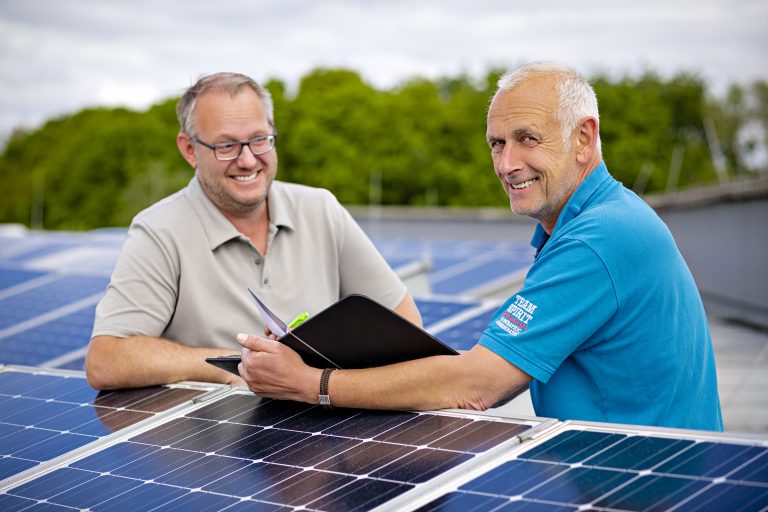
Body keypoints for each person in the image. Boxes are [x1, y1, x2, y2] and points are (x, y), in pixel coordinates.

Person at [235, 62, 723, 431]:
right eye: (496, 143)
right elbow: (486, 369)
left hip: (647, 486)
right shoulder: (593, 222)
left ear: (583, 137)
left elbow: (478, 386)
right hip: (630, 471)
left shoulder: (601, 240)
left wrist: (312, 384)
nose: (507, 164)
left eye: (527, 139)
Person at [86, 72, 421, 390]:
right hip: (218, 443)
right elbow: (107, 359)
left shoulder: (321, 210)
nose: (248, 160)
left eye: (259, 140)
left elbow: (406, 325)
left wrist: (320, 381)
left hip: (328, 432)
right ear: (189, 149)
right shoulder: (160, 230)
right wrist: (235, 368)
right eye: (226, 146)